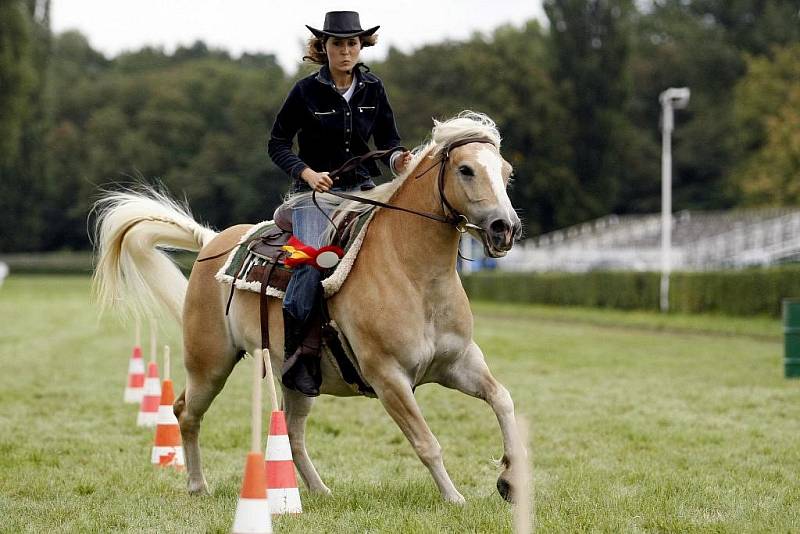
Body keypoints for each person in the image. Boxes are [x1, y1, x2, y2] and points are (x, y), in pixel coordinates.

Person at [268, 11, 412, 396]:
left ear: (361, 46)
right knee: (315, 261)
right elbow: (277, 144)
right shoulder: (304, 91)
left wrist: (399, 160)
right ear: (324, 47)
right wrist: (306, 173)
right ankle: (300, 354)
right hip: (313, 195)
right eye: (337, 43)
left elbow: (389, 143)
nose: (345, 50)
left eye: (351, 43)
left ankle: (384, 345)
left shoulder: (374, 88)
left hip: (363, 190)